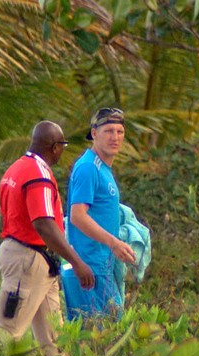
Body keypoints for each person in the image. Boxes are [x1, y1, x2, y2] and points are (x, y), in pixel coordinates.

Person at [0, 120, 94, 356]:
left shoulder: (16, 168)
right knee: (6, 331)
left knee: (54, 338)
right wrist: (77, 262)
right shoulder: (39, 176)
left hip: (35, 259)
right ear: (55, 147)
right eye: (63, 145)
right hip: (28, 259)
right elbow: (44, 224)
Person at [62, 107, 136, 321]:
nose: (115, 137)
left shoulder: (103, 168)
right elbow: (77, 215)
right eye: (109, 131)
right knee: (95, 340)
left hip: (101, 265)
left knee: (110, 335)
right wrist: (113, 243)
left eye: (120, 131)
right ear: (94, 133)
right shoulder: (88, 167)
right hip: (87, 267)